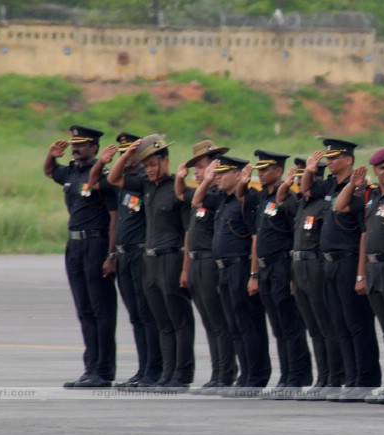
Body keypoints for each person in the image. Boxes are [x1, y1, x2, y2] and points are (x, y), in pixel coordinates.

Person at [106, 134, 194, 390]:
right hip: (151, 260)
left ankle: (182, 374)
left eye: (154, 164)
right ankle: (165, 374)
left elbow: (188, 232)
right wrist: (127, 154)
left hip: (171, 257)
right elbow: (113, 179)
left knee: (179, 321)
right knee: (162, 322)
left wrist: (186, 268)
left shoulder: (177, 188)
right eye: (147, 166)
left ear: (165, 161)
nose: (150, 169)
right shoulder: (145, 185)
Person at [301, 138, 381, 402]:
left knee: (357, 323)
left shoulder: (361, 190)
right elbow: (306, 191)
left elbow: (363, 235)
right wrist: (310, 170)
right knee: (339, 324)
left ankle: (365, 379)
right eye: (328, 158)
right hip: (328, 262)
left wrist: (361, 274)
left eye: (334, 158)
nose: (329, 162)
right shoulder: (327, 185)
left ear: (348, 159)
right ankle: (350, 377)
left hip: (348, 261)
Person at [334, 147, 384, 405]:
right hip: (373, 269)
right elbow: (340, 206)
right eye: (383, 168)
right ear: (375, 172)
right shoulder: (371, 197)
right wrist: (352, 185)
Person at [43, 125, 118, 388]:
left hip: (96, 244)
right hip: (74, 247)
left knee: (101, 310)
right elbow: (50, 172)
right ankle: (90, 368)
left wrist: (110, 255)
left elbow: (113, 219)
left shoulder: (103, 176)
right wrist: (51, 156)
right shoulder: (72, 172)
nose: (76, 149)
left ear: (94, 148)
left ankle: (104, 370)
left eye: (82, 145)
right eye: (74, 145)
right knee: (84, 310)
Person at [89, 132, 161, 388]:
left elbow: (113, 177)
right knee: (135, 316)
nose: (124, 157)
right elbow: (96, 180)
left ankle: (153, 370)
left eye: (129, 153)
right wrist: (106, 160)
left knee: (146, 313)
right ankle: (143, 370)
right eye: (121, 154)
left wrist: (132, 157)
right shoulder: (125, 182)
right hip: (123, 253)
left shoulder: (141, 182)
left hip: (140, 253)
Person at [197, 155, 270, 397]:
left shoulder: (246, 199)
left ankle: (256, 377)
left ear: (239, 175)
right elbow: (196, 201)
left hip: (240, 266)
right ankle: (245, 375)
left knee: (248, 324)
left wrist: (253, 274)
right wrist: (206, 180)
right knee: (235, 326)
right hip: (224, 268)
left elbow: (254, 239)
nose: (218, 176)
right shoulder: (221, 199)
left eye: (223, 173)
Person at [175, 141, 237, 394]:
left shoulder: (217, 198)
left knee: (219, 322)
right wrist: (186, 267)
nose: (197, 173)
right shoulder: (201, 194)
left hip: (212, 261)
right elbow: (182, 195)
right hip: (197, 261)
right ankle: (216, 373)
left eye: (200, 168)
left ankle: (226, 373)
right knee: (209, 322)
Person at [251, 149, 312, 398]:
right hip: (265, 268)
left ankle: (296, 377)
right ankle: (286, 375)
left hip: (281, 266)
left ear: (278, 171)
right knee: (277, 327)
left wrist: (291, 276)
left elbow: (294, 236)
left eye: (265, 169)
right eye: (260, 170)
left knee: (290, 326)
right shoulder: (264, 199)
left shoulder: (288, 200)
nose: (261, 173)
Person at [284, 157, 344, 400]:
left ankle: (333, 378)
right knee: (313, 328)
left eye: (304, 177)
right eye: (298, 178)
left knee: (325, 326)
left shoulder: (322, 203)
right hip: (299, 267)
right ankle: (322, 377)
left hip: (316, 266)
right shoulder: (302, 204)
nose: (300, 182)